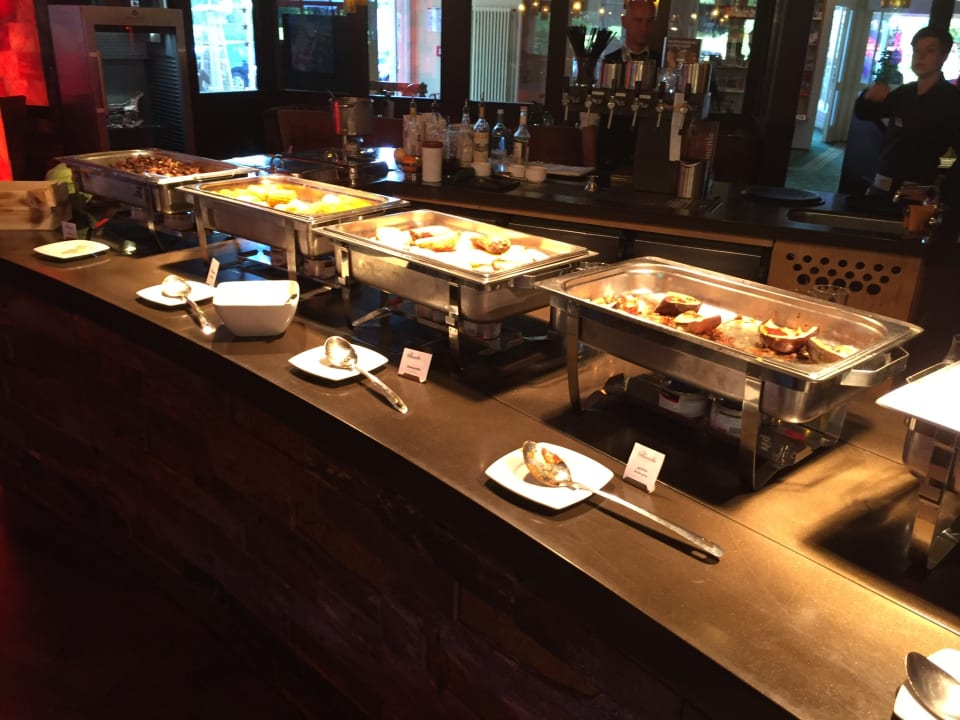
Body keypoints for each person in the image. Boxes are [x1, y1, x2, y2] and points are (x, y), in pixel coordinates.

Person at [854, 25, 960, 198]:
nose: (920, 56)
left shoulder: (952, 100)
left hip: (920, 188)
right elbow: (865, 113)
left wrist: (942, 180)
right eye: (916, 51)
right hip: (883, 180)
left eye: (930, 51)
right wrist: (869, 97)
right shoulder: (905, 93)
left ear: (944, 56)